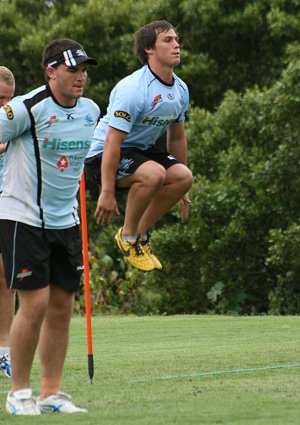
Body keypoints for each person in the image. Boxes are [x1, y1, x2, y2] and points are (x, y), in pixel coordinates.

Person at [0, 38, 100, 415]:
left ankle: (50, 393)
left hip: (67, 222)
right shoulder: (25, 108)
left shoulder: (91, 110)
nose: (80, 77)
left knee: (61, 306)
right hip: (23, 218)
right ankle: (19, 394)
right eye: (73, 69)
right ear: (51, 71)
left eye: (84, 70)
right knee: (36, 304)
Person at [85, 20, 193, 272]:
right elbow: (113, 140)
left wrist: (181, 191)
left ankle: (136, 236)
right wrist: (107, 191)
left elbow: (177, 137)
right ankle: (128, 238)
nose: (176, 45)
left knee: (183, 177)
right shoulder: (133, 89)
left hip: (139, 151)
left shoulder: (180, 89)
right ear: (149, 49)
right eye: (168, 40)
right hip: (102, 154)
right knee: (154, 173)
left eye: (177, 40)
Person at [0, 66, 16, 379]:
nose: (4, 105)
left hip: (5, 201)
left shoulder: (12, 117)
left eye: (8, 99)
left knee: (4, 277)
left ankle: (4, 351)